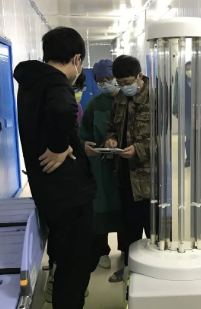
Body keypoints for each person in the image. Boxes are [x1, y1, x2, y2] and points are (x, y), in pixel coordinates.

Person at [14, 27, 108, 309]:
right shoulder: (56, 84)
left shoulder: (32, 82)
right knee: (74, 264)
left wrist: (71, 145)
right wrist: (59, 147)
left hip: (51, 192)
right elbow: (63, 111)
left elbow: (52, 120)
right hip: (68, 194)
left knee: (67, 259)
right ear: (77, 58)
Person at [104, 55, 151, 282]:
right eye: (120, 83)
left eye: (128, 83)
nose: (124, 87)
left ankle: (153, 272)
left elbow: (168, 139)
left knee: (154, 230)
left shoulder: (156, 99)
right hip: (125, 176)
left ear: (139, 76)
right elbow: (111, 127)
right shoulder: (120, 99)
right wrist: (110, 140)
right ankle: (130, 269)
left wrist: (139, 149)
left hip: (150, 179)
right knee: (129, 229)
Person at [80, 59, 125, 272]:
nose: (106, 84)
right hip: (100, 165)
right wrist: (86, 146)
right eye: (101, 81)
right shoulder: (94, 106)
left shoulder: (127, 101)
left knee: (125, 206)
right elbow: (84, 134)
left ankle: (126, 249)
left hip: (125, 163)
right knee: (101, 207)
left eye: (109, 79)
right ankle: (101, 251)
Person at [173, 61, 192, 167]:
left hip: (198, 114)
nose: (189, 71)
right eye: (187, 69)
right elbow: (177, 93)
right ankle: (189, 158)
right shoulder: (182, 81)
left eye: (191, 69)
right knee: (188, 137)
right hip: (186, 113)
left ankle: (199, 158)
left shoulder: (200, 81)